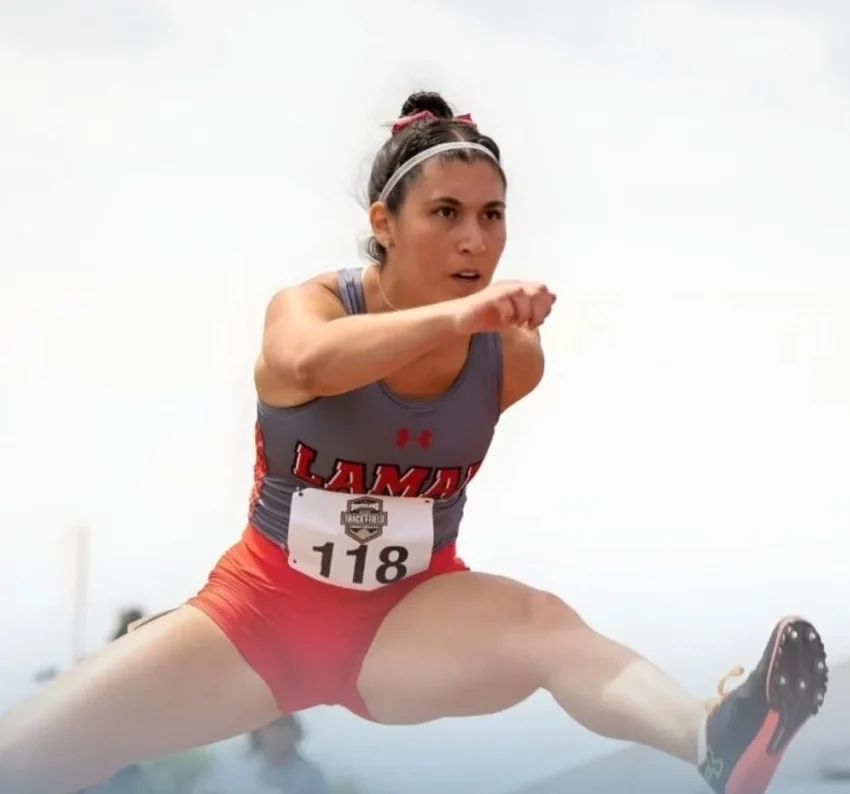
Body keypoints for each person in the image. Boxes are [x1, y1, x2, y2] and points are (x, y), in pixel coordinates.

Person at [0, 91, 828, 794]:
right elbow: (306, 365)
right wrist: (463, 315)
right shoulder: (313, 306)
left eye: (492, 215)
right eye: (446, 214)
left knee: (544, 624)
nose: (476, 239)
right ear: (382, 224)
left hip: (409, 624)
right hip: (258, 620)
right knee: (25, 757)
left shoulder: (513, 357)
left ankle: (711, 736)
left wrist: (474, 326)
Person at [193, 715, 329, 794]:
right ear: (259, 731)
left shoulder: (311, 777)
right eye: (273, 726)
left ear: (296, 732)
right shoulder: (230, 771)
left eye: (285, 726)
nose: (279, 733)